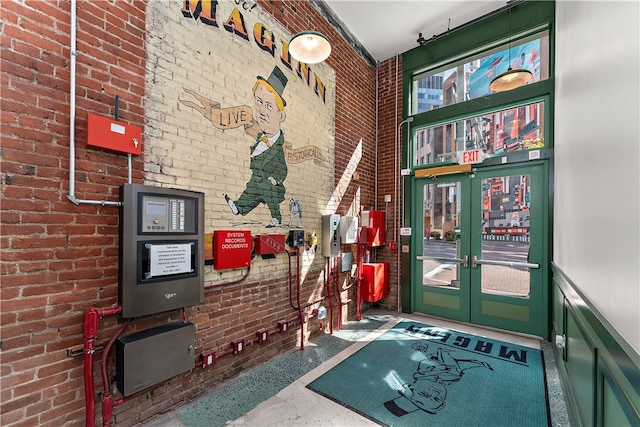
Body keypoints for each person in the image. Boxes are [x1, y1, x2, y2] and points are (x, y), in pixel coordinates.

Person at [225, 66, 288, 228]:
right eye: (259, 102)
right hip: (257, 179)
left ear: (281, 115)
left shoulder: (278, 148)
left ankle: (276, 217)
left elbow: (283, 169)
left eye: (269, 105)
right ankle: (238, 207)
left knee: (265, 189)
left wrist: (274, 179)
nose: (261, 110)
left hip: (271, 185)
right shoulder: (261, 140)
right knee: (251, 190)